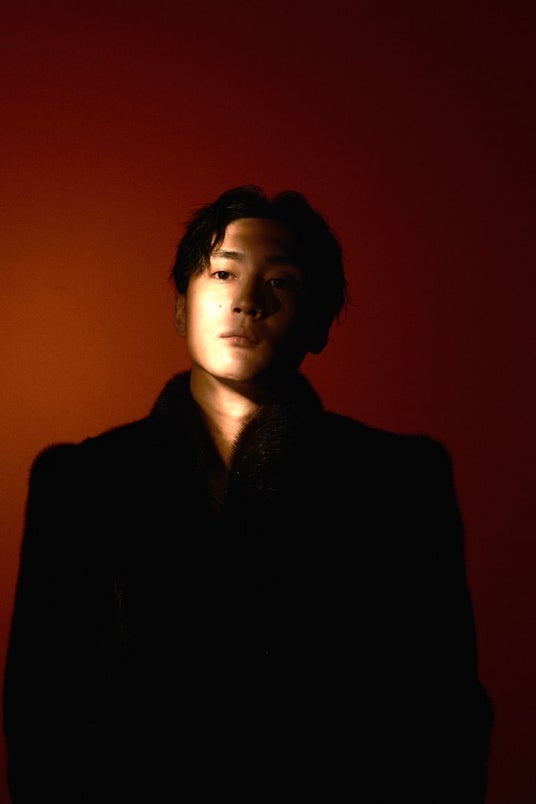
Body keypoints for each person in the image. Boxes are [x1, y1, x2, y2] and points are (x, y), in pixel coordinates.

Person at [4, 184, 493, 803]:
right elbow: (42, 720)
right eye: (222, 273)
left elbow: (445, 719)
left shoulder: (400, 483)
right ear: (180, 307)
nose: (246, 301)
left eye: (281, 281)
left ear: (318, 323)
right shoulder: (79, 484)